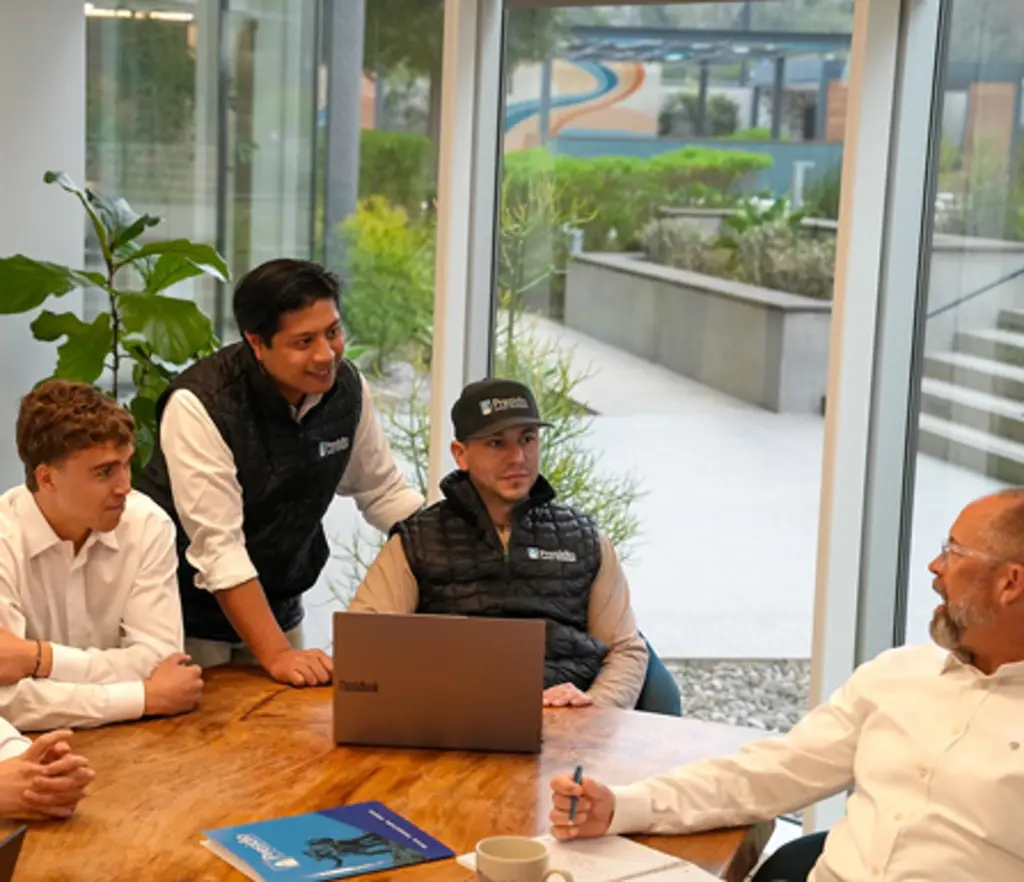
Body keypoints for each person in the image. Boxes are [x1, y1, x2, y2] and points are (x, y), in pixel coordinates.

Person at [547, 489, 1024, 881]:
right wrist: (619, 806)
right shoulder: (897, 676)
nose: (935, 568)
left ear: (1010, 583)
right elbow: (770, 772)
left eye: (953, 552)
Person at [136, 259, 423, 687]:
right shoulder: (202, 404)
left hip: (278, 601)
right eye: (304, 341)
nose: (326, 354)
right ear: (257, 342)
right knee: (202, 742)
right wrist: (278, 655)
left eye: (333, 332)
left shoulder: (345, 390)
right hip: (185, 614)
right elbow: (219, 550)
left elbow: (382, 492)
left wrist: (451, 540)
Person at [350, 378, 679, 714]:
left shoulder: (585, 540)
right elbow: (364, 641)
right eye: (497, 443)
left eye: (527, 439)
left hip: (569, 728)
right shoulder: (416, 541)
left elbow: (626, 650)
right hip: (456, 724)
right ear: (460, 455)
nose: (518, 457)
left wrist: (593, 709)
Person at [0, 381, 202, 733]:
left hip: (138, 742)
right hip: (30, 755)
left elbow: (157, 660)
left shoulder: (147, 525)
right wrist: (143, 698)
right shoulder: (5, 540)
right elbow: (7, 702)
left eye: (126, 464)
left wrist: (40, 659)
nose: (125, 485)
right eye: (105, 472)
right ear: (46, 478)